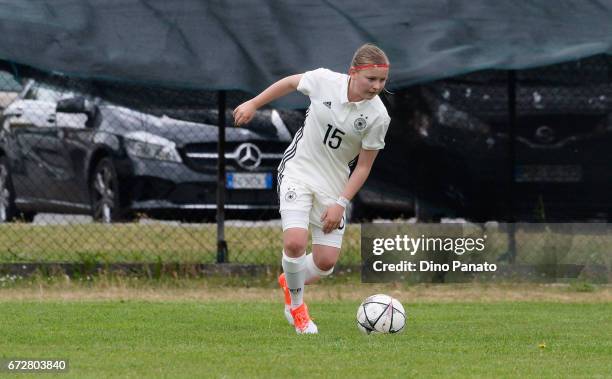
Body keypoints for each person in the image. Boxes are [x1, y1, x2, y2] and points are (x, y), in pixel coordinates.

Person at [233, 43, 391, 334]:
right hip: (299, 171)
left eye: (382, 81)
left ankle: (289, 280)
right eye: (371, 79)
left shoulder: (378, 117)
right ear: (353, 73)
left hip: (333, 185)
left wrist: (340, 203)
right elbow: (291, 82)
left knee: (325, 263)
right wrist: (254, 103)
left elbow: (364, 167)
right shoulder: (324, 81)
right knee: (294, 243)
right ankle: (297, 309)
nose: (377, 86)